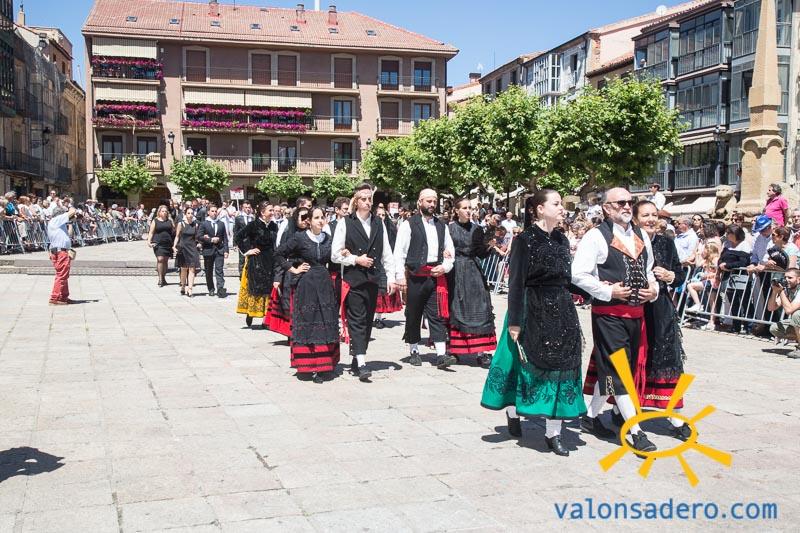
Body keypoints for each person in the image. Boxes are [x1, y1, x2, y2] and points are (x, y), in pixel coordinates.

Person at [481, 190, 586, 456]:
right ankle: (512, 411)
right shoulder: (524, 240)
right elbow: (516, 282)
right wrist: (515, 321)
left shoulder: (562, 239)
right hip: (531, 306)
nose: (562, 208)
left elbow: (566, 278)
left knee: (561, 365)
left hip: (561, 309)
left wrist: (594, 293)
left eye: (561, 204)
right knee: (520, 363)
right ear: (539, 209)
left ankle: (553, 433)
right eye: (556, 203)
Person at [572, 187, 659, 453]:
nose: (627, 206)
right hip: (608, 316)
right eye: (620, 202)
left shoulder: (641, 235)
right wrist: (608, 291)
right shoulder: (595, 236)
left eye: (630, 202)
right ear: (607, 208)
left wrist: (653, 291)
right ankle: (636, 431)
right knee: (619, 370)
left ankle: (590, 416)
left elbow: (649, 272)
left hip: (636, 315)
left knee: (616, 369)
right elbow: (578, 274)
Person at [628, 200, 691, 439]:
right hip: (635, 308)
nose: (651, 219)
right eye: (645, 215)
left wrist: (670, 275)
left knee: (667, 358)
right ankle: (620, 408)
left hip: (661, 310)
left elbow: (680, 275)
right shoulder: (628, 241)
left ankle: (675, 417)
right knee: (634, 359)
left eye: (654, 215)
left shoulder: (666, 242)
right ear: (635, 219)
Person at [331, 185, 397, 382]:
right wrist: (355, 259)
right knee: (357, 320)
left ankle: (357, 356)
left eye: (370, 199)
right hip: (353, 280)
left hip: (373, 279)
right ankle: (361, 363)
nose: (368, 202)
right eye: (364, 199)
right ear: (356, 201)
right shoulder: (345, 223)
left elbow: (387, 253)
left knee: (368, 321)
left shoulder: (378, 223)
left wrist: (391, 277)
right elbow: (335, 254)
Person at [276, 207, 340, 383]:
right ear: (309, 221)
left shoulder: (328, 239)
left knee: (325, 322)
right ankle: (309, 365)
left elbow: (335, 260)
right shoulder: (300, 238)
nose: (320, 220)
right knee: (309, 322)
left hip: (325, 284)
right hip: (306, 284)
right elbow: (279, 253)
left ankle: (324, 365)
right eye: (316, 217)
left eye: (322, 217)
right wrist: (293, 269)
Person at [394, 189, 457, 370]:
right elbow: (399, 252)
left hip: (435, 276)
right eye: (428, 201)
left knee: (437, 315)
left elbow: (450, 251)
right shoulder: (409, 224)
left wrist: (445, 266)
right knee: (413, 314)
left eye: (434, 201)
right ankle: (414, 350)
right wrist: (400, 277)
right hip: (415, 277)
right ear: (420, 202)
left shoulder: (441, 225)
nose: (432, 204)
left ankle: (441, 354)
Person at [447, 198, 497, 368]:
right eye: (465, 208)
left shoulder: (477, 229)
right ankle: (454, 350)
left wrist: (489, 244)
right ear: (456, 211)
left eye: (470, 208)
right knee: (456, 308)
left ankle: (481, 352)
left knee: (479, 307)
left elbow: (480, 253)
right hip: (454, 270)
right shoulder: (449, 228)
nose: (469, 210)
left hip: (473, 271)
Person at [266, 206, 310, 337]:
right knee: (291, 305)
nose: (305, 220)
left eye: (307, 217)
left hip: (309, 274)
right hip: (292, 273)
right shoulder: (289, 233)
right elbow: (279, 255)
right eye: (302, 217)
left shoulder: (312, 233)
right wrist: (278, 278)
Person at [235, 201, 278, 327]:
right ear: (262, 212)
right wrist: (248, 250)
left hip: (270, 260)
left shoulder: (274, 226)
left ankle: (267, 319)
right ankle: (251, 313)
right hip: (257, 261)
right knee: (257, 288)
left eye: (272, 210)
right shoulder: (253, 225)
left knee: (269, 288)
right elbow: (238, 237)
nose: (272, 213)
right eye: (270, 210)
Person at [372, 205, 402, 329]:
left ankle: (378, 318)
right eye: (378, 215)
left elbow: (395, 247)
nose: (381, 217)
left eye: (383, 215)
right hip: (373, 263)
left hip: (387, 264)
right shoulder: (371, 227)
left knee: (382, 291)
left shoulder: (391, 229)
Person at [46, 205, 77, 305]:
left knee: (64, 275)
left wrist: (70, 223)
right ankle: (55, 297)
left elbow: (69, 235)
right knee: (61, 275)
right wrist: (70, 207)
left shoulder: (59, 224)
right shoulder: (56, 220)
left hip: (61, 251)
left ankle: (63, 296)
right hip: (60, 252)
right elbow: (72, 211)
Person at [767, 268, 800, 359]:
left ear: (798, 279)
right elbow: (771, 308)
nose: (786, 280)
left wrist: (781, 292)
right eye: (785, 277)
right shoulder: (787, 290)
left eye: (790, 278)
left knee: (796, 314)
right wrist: (775, 292)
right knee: (775, 328)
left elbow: (789, 310)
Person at [198, 204, 229, 297]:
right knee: (208, 271)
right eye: (212, 211)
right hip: (208, 250)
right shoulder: (204, 223)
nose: (214, 213)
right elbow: (199, 236)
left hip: (219, 250)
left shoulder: (221, 223)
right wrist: (210, 239)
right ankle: (211, 288)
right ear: (208, 212)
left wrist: (226, 250)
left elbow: (225, 238)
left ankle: (220, 289)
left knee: (219, 270)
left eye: (216, 211)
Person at [172, 207, 201, 297]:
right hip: (183, 248)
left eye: (192, 213)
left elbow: (197, 237)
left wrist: (199, 243)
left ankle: (190, 289)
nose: (190, 215)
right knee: (184, 269)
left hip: (192, 248)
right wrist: (174, 246)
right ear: (185, 214)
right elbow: (177, 236)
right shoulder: (181, 224)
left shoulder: (196, 224)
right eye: (188, 213)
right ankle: (183, 286)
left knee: (192, 269)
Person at [146, 205, 175, 287]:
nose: (164, 212)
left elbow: (174, 231)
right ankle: (160, 279)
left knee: (165, 261)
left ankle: (163, 277)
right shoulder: (155, 221)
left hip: (168, 243)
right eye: (162, 211)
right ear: (159, 212)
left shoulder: (169, 220)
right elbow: (151, 232)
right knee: (160, 259)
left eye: (165, 211)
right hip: (158, 243)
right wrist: (149, 241)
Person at [233, 201, 255, 277]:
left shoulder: (253, 218)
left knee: (251, 259)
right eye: (246, 207)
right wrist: (235, 244)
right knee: (242, 259)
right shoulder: (238, 218)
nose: (248, 209)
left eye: (249, 207)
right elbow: (235, 231)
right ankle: (241, 276)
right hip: (242, 242)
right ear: (242, 208)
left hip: (251, 243)